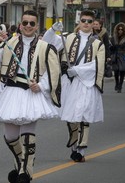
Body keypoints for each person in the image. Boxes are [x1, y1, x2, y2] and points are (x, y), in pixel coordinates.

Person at [0, 10, 61, 183]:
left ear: (37, 26)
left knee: (27, 134)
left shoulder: (45, 47)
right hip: (11, 92)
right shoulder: (9, 43)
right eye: (25, 23)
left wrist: (40, 85)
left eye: (32, 23)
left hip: (31, 93)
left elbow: (53, 72)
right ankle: (20, 161)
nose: (28, 26)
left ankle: (25, 171)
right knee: (10, 136)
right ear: (20, 24)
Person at [44, 10, 105, 163]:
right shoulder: (67, 38)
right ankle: (74, 144)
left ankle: (81, 150)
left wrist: (77, 70)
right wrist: (52, 30)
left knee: (84, 115)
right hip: (69, 82)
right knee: (71, 115)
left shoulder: (98, 44)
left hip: (86, 82)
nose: (86, 23)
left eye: (89, 21)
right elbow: (47, 42)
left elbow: (97, 65)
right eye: (83, 20)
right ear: (79, 22)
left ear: (93, 24)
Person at [110, 22, 125, 93]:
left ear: (124, 30)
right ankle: (117, 83)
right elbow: (110, 48)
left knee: (122, 72)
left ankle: (120, 86)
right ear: (116, 30)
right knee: (116, 71)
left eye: (121, 29)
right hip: (115, 56)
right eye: (119, 29)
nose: (120, 31)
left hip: (123, 56)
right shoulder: (113, 38)